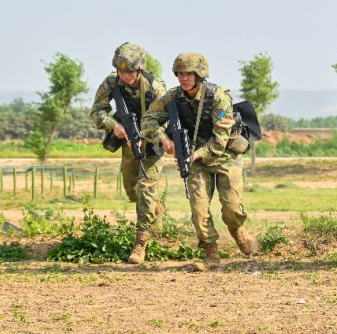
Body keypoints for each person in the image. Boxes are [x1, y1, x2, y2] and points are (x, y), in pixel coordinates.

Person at [141, 52, 254, 272]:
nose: (184, 78)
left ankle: (236, 228)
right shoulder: (172, 98)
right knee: (199, 208)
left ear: (200, 75)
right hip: (194, 160)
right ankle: (211, 254)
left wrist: (196, 154)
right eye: (180, 74)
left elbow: (221, 139)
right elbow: (148, 120)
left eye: (189, 74)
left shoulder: (218, 97)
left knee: (232, 208)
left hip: (224, 156)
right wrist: (163, 139)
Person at [89, 42, 167, 264]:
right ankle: (155, 208)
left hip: (153, 141)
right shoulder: (111, 83)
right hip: (127, 141)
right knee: (132, 191)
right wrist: (115, 126)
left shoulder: (155, 87)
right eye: (122, 70)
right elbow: (96, 112)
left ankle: (140, 243)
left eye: (130, 71)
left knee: (145, 188)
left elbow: (167, 118)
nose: (126, 75)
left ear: (140, 68)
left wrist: (145, 136)